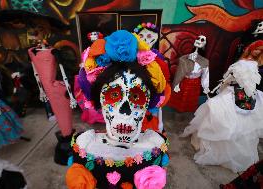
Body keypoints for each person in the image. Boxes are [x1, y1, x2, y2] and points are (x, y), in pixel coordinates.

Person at [66, 30, 170, 189]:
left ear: (148, 104)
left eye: (136, 97)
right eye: (113, 95)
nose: (125, 111)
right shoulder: (85, 147)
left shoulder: (155, 147)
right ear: (99, 102)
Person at [182, 40, 263, 173]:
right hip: (236, 93)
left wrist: (226, 84)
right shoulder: (251, 64)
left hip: (236, 94)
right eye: (256, 48)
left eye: (259, 50)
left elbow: (239, 82)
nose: (256, 51)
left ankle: (219, 151)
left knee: (224, 118)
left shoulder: (247, 65)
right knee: (226, 119)